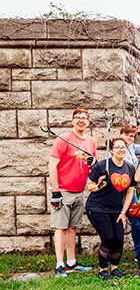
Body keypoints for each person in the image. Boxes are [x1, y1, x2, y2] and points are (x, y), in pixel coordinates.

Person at [48, 108, 97, 277]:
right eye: (77, 117)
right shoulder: (64, 138)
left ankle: (71, 262)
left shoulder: (90, 141)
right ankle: (59, 265)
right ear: (72, 120)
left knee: (72, 227)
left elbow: (92, 166)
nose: (81, 120)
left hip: (79, 190)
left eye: (84, 118)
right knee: (60, 227)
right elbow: (52, 165)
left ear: (88, 122)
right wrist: (55, 191)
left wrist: (93, 162)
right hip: (62, 189)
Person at [86, 137, 136, 280]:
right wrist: (99, 186)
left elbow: (129, 192)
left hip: (116, 209)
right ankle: (103, 270)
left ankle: (115, 268)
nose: (121, 150)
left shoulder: (130, 168)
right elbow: (89, 186)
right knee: (108, 238)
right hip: (96, 207)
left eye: (123, 147)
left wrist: (123, 212)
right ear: (111, 151)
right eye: (117, 147)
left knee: (119, 238)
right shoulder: (102, 166)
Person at [119, 124, 140, 255]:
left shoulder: (132, 147)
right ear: (121, 134)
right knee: (117, 221)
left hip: (131, 190)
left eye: (132, 136)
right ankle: (112, 254)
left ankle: (139, 253)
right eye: (126, 135)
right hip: (118, 190)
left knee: (135, 222)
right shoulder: (116, 147)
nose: (129, 138)